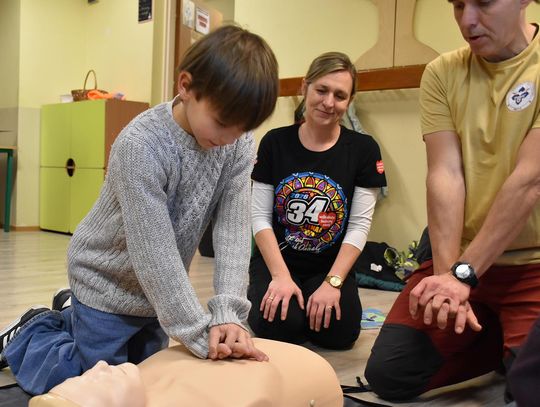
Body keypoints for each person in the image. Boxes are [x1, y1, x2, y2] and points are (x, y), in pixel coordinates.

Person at [0, 24, 279, 395]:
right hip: (103, 280)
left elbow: (232, 229)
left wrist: (229, 314)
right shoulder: (140, 145)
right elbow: (155, 252)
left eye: (243, 129)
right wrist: (197, 331)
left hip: (153, 296)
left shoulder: (237, 143)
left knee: (146, 382)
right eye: (223, 123)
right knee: (94, 387)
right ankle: (33, 331)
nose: (230, 138)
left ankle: (70, 316)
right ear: (186, 86)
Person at [365, 0, 540, 402]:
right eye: (458, 5)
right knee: (391, 375)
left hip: (532, 266)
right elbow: (445, 174)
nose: (468, 20)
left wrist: (462, 276)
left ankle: (512, 349)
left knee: (529, 391)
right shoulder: (442, 72)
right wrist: (449, 279)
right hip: (461, 257)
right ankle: (499, 341)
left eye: (483, 2)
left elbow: (529, 180)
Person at [247, 51, 387, 349]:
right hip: (278, 261)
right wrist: (280, 277)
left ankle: (311, 304)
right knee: (281, 326)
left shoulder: (364, 149)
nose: (328, 102)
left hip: (329, 266)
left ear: (350, 100)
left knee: (339, 333)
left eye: (340, 95)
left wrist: (333, 283)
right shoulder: (274, 142)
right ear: (304, 87)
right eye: (321, 90)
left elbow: (359, 226)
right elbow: (259, 217)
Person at [28, 338, 343, 407]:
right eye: (92, 382)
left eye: (84, 376)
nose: (100, 367)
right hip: (304, 371)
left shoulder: (140, 378)